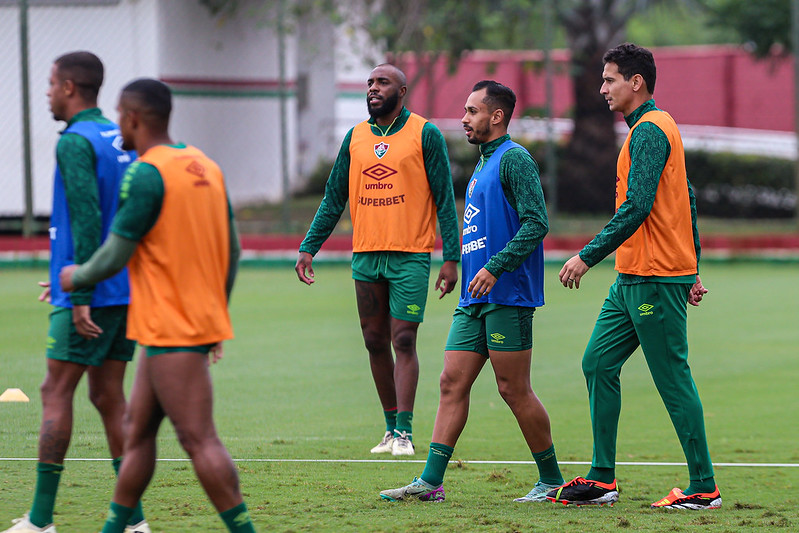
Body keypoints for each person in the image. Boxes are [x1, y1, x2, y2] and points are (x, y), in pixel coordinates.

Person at [59, 78, 255, 532]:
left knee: (198, 439)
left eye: (119, 114)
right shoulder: (204, 164)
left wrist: (77, 275)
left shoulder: (146, 173)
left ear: (133, 118)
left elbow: (115, 253)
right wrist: (214, 315)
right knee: (137, 431)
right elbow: (235, 250)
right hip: (175, 327)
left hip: (172, 329)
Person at [549, 43, 720, 510]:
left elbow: (638, 207)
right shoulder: (649, 130)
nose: (601, 88)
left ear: (635, 82)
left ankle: (704, 487)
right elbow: (687, 199)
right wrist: (696, 264)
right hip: (632, 278)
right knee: (598, 364)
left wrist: (586, 256)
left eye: (609, 79)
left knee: (672, 378)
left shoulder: (649, 131)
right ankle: (603, 479)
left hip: (655, 277)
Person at [380, 80, 564, 502]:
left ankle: (552, 479)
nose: (464, 118)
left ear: (496, 116)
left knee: (513, 389)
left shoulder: (514, 159)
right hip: (473, 297)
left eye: (472, 110)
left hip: (508, 294)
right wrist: (460, 269)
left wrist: (496, 268)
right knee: (450, 382)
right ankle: (429, 483)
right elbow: (481, 228)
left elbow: (537, 222)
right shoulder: (483, 162)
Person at [2, 52, 148, 533]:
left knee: (54, 390)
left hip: (91, 293)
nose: (45, 93)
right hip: (124, 288)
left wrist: (80, 288)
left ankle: (41, 520)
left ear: (68, 87)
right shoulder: (117, 137)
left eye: (49, 84)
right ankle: (134, 522)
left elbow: (86, 219)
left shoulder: (74, 142)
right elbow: (115, 216)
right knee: (109, 398)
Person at [295, 63, 460, 456]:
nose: (373, 88)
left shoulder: (426, 133)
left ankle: (405, 432)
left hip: (411, 256)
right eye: (369, 83)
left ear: (401, 91)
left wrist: (450, 257)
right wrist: (308, 246)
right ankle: (389, 428)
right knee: (373, 341)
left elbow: (444, 198)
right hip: (366, 254)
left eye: (382, 82)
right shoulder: (354, 138)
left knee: (403, 338)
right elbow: (334, 196)